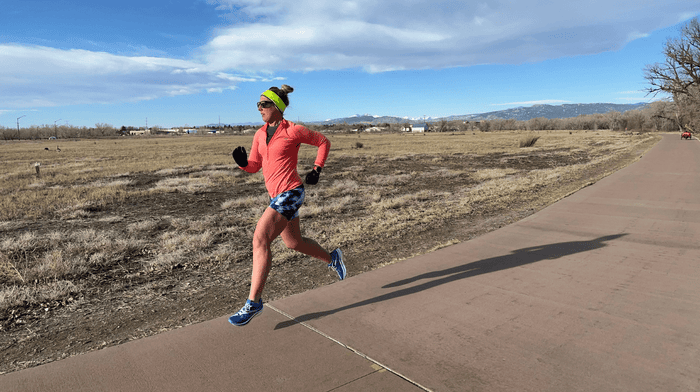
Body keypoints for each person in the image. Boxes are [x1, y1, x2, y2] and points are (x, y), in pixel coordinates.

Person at [228, 84, 346, 326]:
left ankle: (253, 302)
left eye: (264, 104)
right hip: (276, 196)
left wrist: (317, 169)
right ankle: (332, 258)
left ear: (277, 107)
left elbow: (323, 141)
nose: (259, 108)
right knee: (294, 243)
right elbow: (255, 165)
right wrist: (242, 163)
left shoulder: (293, 130)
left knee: (260, 239)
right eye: (258, 105)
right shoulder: (259, 134)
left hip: (291, 192)